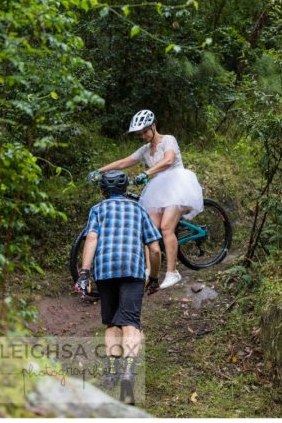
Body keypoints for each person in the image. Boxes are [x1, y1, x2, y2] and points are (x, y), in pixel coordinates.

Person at [74, 170, 162, 404]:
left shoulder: (98, 209)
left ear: (103, 190)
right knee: (131, 323)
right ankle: (128, 375)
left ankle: (112, 373)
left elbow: (91, 238)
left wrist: (84, 272)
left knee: (112, 322)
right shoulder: (139, 209)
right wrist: (153, 277)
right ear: (124, 189)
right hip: (132, 271)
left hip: (105, 272)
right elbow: (154, 249)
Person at [97, 109, 203, 289]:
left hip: (178, 185)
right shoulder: (145, 150)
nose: (144, 136)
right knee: (149, 229)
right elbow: (124, 162)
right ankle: (149, 269)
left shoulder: (168, 140)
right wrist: (99, 171)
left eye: (146, 131)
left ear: (154, 126)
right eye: (140, 134)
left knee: (166, 228)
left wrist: (147, 172)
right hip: (159, 189)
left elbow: (168, 160)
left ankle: (172, 272)